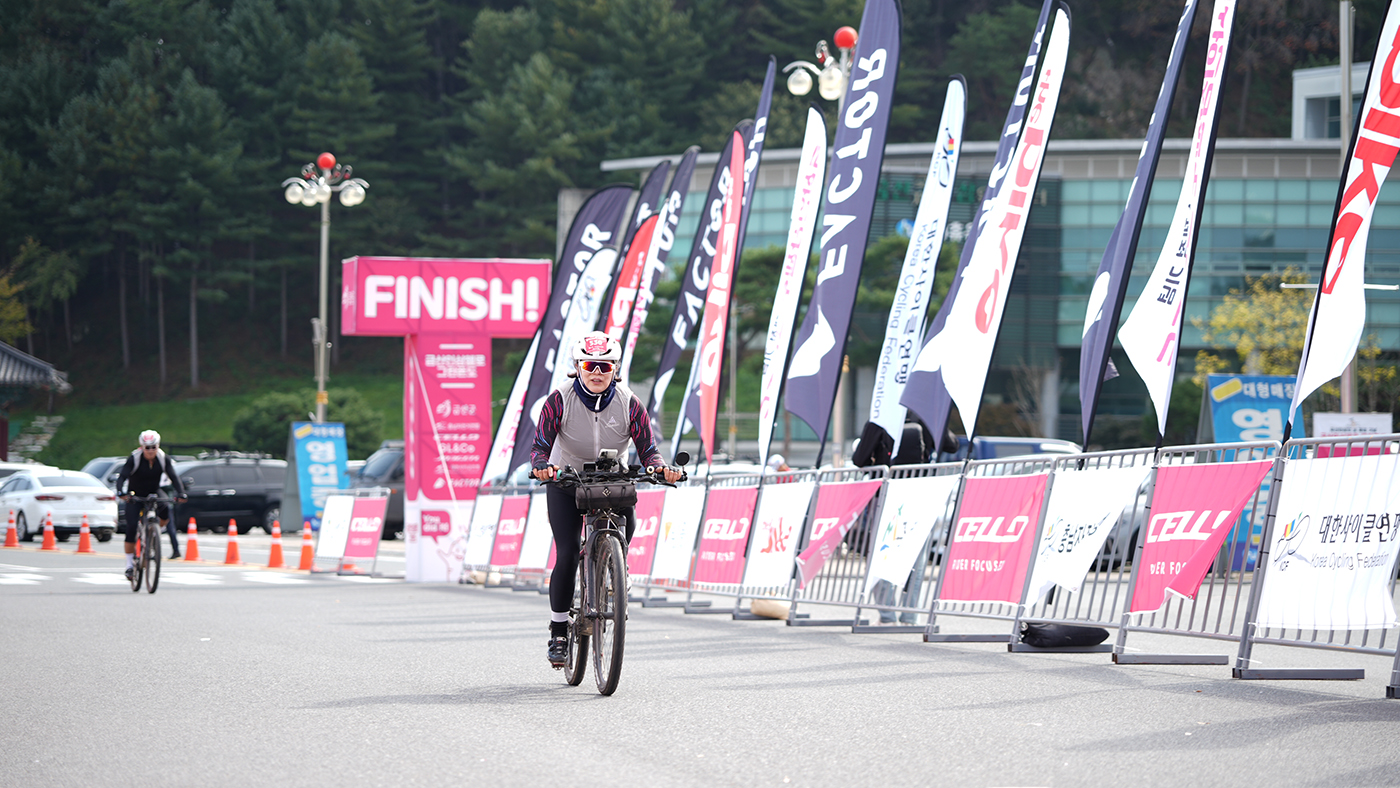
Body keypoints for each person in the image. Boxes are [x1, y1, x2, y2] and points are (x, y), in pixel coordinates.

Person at [531, 332, 682, 668]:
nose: (597, 372)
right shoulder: (559, 400)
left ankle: (614, 566)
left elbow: (649, 450)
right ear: (577, 367)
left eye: (605, 366)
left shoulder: (630, 403)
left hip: (613, 479)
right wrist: (542, 466)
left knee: (627, 527)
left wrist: (662, 469)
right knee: (567, 553)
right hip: (567, 480)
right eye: (590, 366)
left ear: (616, 368)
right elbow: (540, 446)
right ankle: (559, 631)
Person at [115, 430, 187, 577]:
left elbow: (173, 476)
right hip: (135, 494)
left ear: (158, 446)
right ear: (142, 447)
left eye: (153, 447)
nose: (150, 451)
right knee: (131, 527)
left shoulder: (163, 458)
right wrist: (121, 492)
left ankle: (154, 533)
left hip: (154, 491)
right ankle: (129, 565)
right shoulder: (134, 458)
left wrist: (181, 493)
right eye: (147, 447)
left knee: (166, 508)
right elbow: (122, 476)